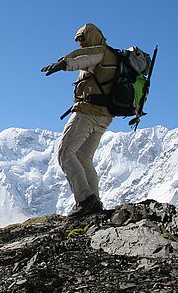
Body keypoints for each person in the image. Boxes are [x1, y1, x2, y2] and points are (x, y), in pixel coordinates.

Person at [40, 22, 119, 218]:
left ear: (92, 37)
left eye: (83, 39)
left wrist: (64, 64)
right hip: (104, 117)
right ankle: (95, 203)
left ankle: (85, 201)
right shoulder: (112, 56)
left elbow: (81, 59)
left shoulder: (98, 53)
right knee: (84, 158)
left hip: (88, 113)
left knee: (65, 153)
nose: (81, 43)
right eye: (78, 40)